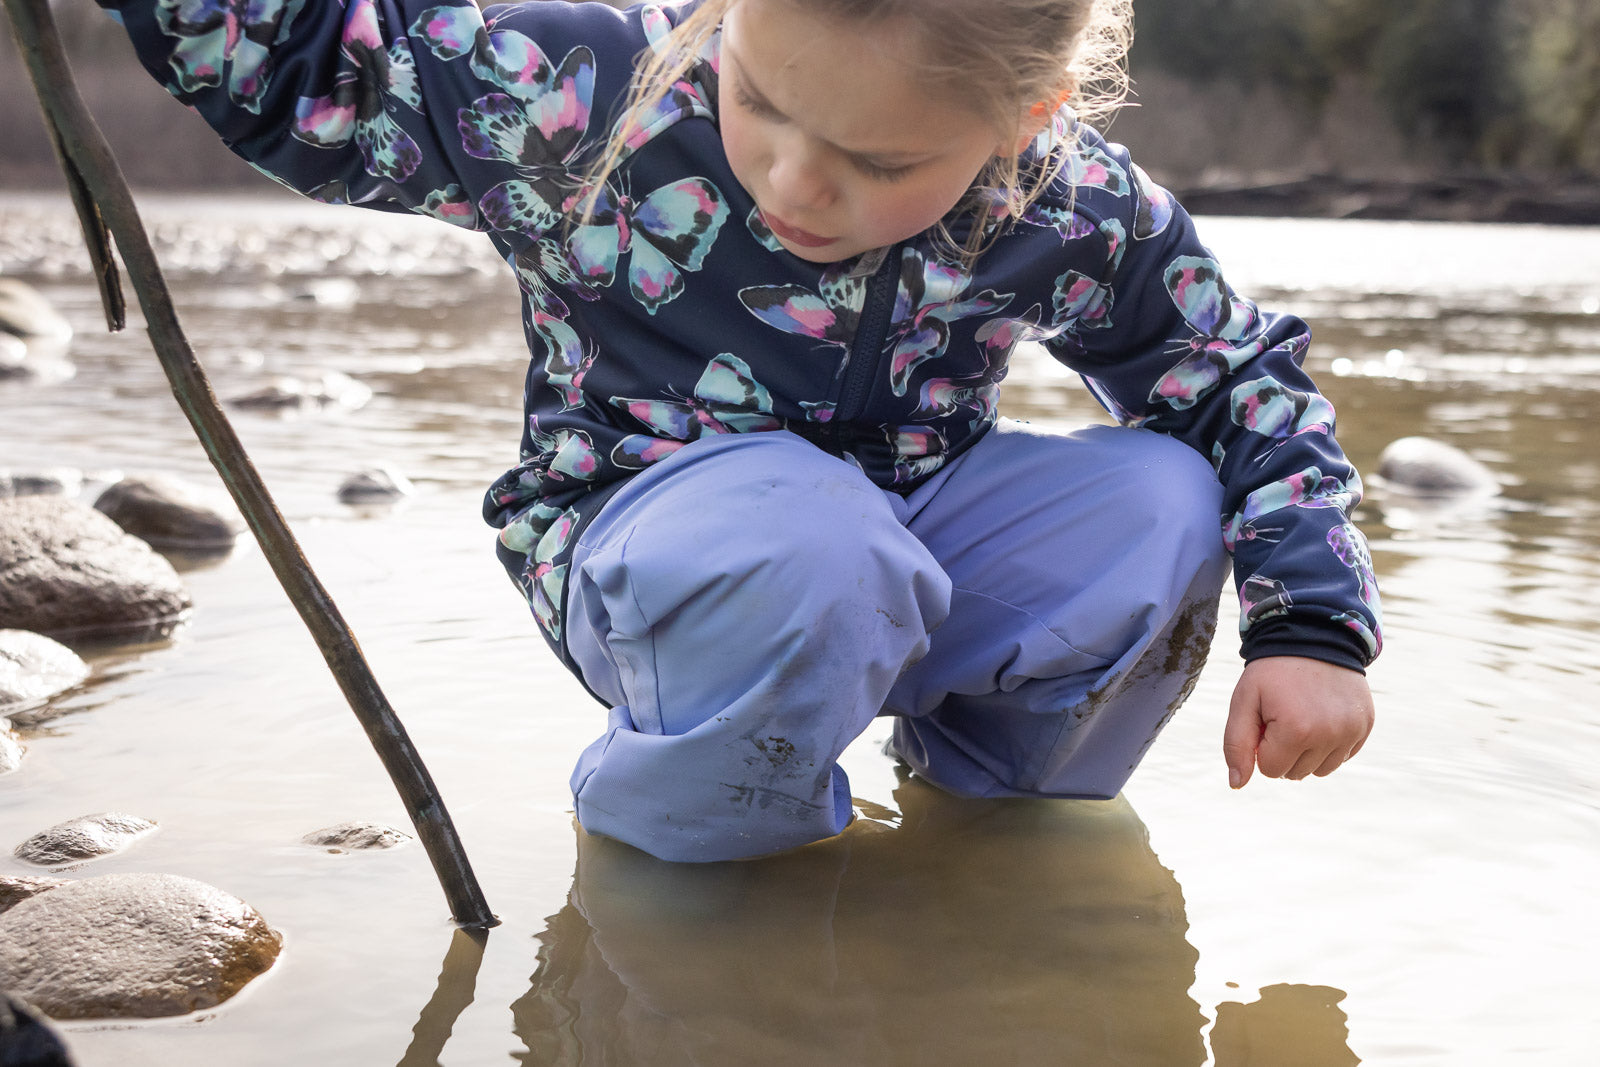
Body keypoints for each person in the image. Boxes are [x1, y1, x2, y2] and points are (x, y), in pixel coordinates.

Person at [97, 0, 1380, 862]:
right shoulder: (579, 88)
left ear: (1027, 119)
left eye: (879, 163)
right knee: (806, 546)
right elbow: (309, 63)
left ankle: (991, 835)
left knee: (1161, 497)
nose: (794, 182)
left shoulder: (1070, 201)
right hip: (655, 538)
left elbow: (1233, 380)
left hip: (903, 541)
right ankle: (705, 870)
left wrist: (1311, 628)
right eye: (758, 100)